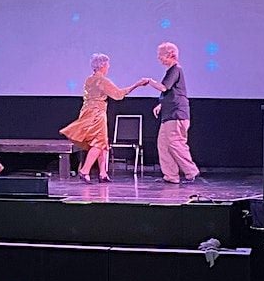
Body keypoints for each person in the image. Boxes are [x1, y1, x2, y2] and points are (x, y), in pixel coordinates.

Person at [60, 53, 148, 183]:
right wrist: (137, 84)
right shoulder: (101, 80)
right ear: (102, 65)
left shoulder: (89, 79)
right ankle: (85, 171)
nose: (108, 67)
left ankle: (103, 173)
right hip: (97, 114)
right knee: (99, 143)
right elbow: (118, 95)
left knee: (103, 143)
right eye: (107, 64)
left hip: (87, 112)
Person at [145, 42, 200, 184]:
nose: (159, 58)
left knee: (175, 143)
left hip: (177, 114)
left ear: (170, 55)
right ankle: (171, 175)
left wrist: (149, 81)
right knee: (163, 144)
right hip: (169, 113)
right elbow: (172, 92)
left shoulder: (175, 69)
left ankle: (190, 170)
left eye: (161, 55)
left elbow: (164, 87)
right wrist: (161, 105)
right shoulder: (171, 70)